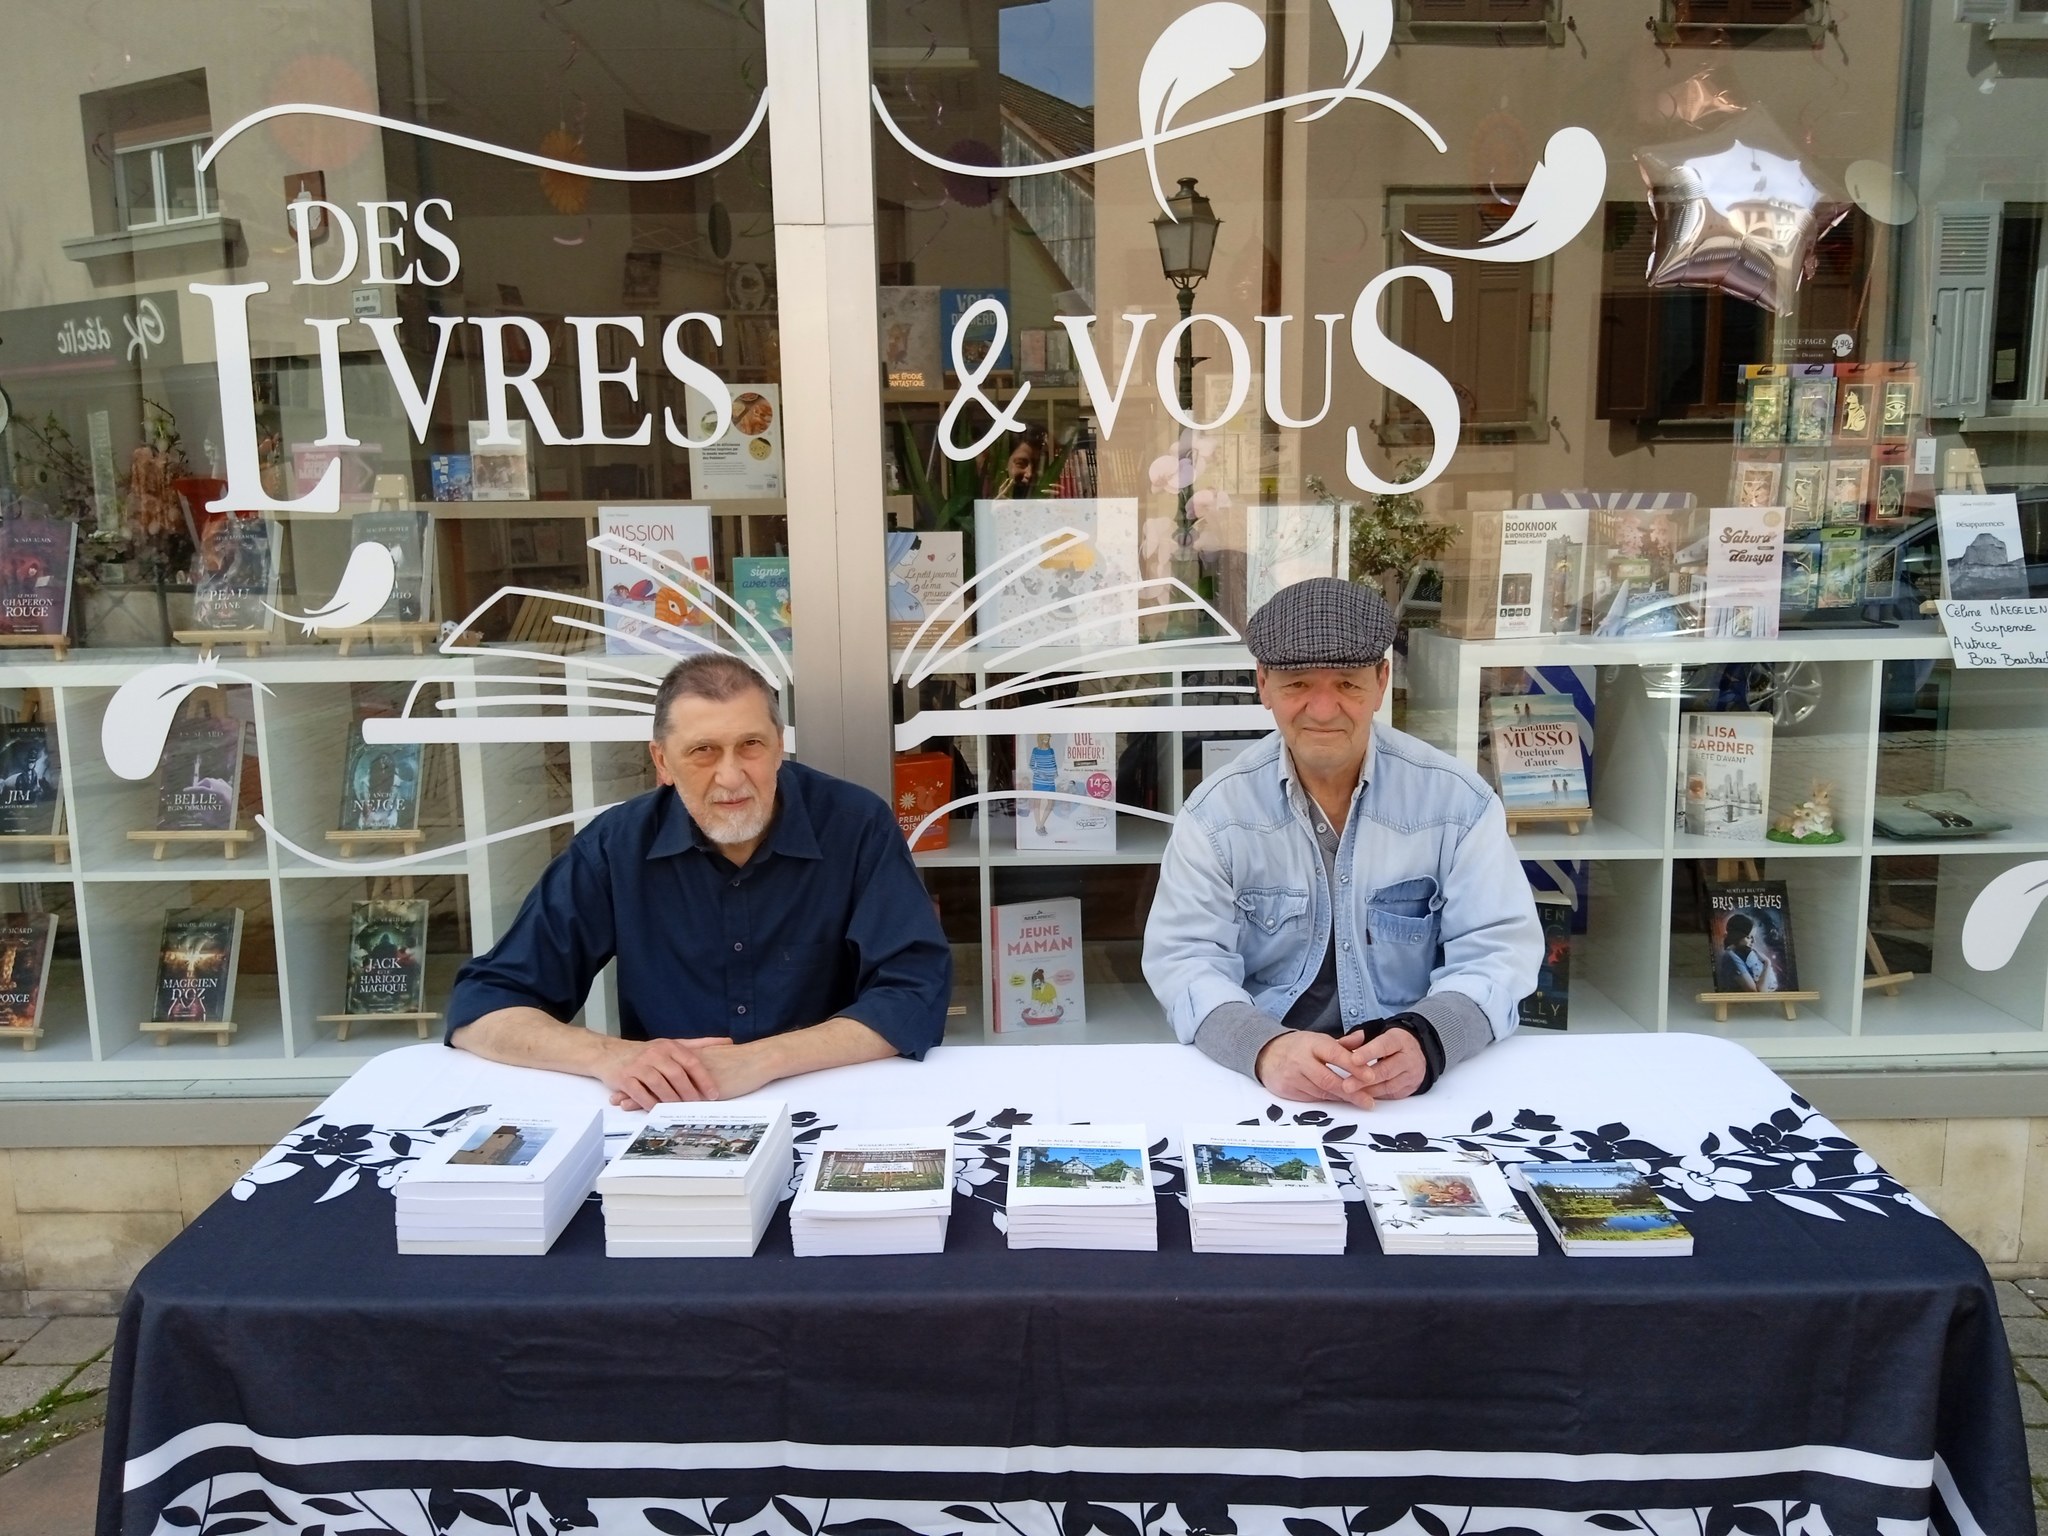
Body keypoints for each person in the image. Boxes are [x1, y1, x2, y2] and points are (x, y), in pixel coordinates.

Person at [446, 653, 951, 1107]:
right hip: (665, 1111)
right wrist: (611, 1057)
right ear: (662, 761)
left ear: (779, 747)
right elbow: (486, 1004)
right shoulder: (616, 846)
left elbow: (914, 992)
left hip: (831, 1098)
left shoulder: (855, 824)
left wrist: (760, 1060)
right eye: (703, 751)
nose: (731, 776)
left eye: (750, 745)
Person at [1143, 578, 1541, 1107]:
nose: (1324, 709)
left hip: (1419, 1085)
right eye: (1297, 683)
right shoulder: (1215, 814)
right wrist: (1262, 1048)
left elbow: (1500, 951)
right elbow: (1184, 961)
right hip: (1264, 1084)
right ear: (1262, 684)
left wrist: (1432, 1037)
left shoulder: (1458, 803)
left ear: (1382, 681)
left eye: (1348, 684)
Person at [1714, 913, 1773, 993]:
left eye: (1753, 937)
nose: (1753, 941)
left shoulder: (1740, 955)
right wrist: (1767, 963)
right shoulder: (1731, 957)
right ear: (1737, 936)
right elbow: (1756, 992)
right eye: (1749, 937)